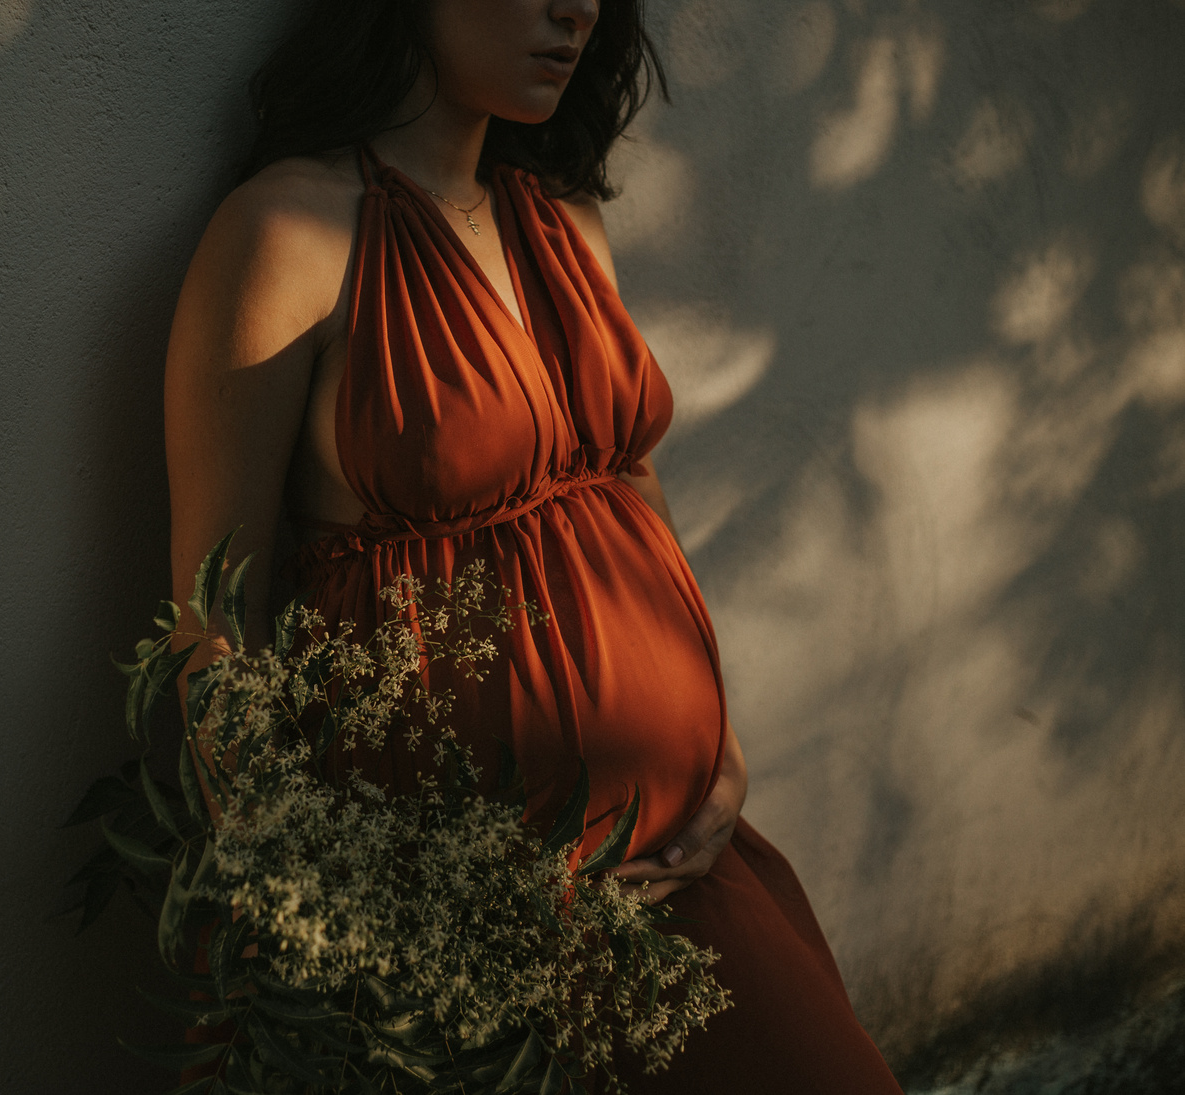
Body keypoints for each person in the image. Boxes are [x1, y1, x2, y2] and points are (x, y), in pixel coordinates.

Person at [163, 0, 904, 1090]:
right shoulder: (286, 235)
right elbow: (210, 615)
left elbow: (623, 483)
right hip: (460, 913)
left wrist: (715, 740)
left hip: (671, 855)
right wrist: (323, 910)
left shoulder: (559, 217)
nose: (580, 10)